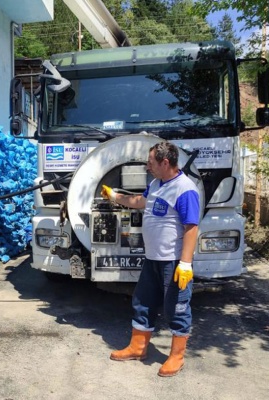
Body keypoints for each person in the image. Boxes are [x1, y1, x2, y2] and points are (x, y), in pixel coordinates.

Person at [101, 141, 199, 377]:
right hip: (153, 258)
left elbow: (191, 227)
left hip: (173, 262)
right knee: (142, 301)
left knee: (176, 306)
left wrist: (185, 264)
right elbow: (139, 203)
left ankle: (176, 356)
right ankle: (138, 347)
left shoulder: (185, 189)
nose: (147, 166)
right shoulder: (156, 184)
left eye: (151, 162)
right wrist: (115, 195)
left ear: (166, 162)